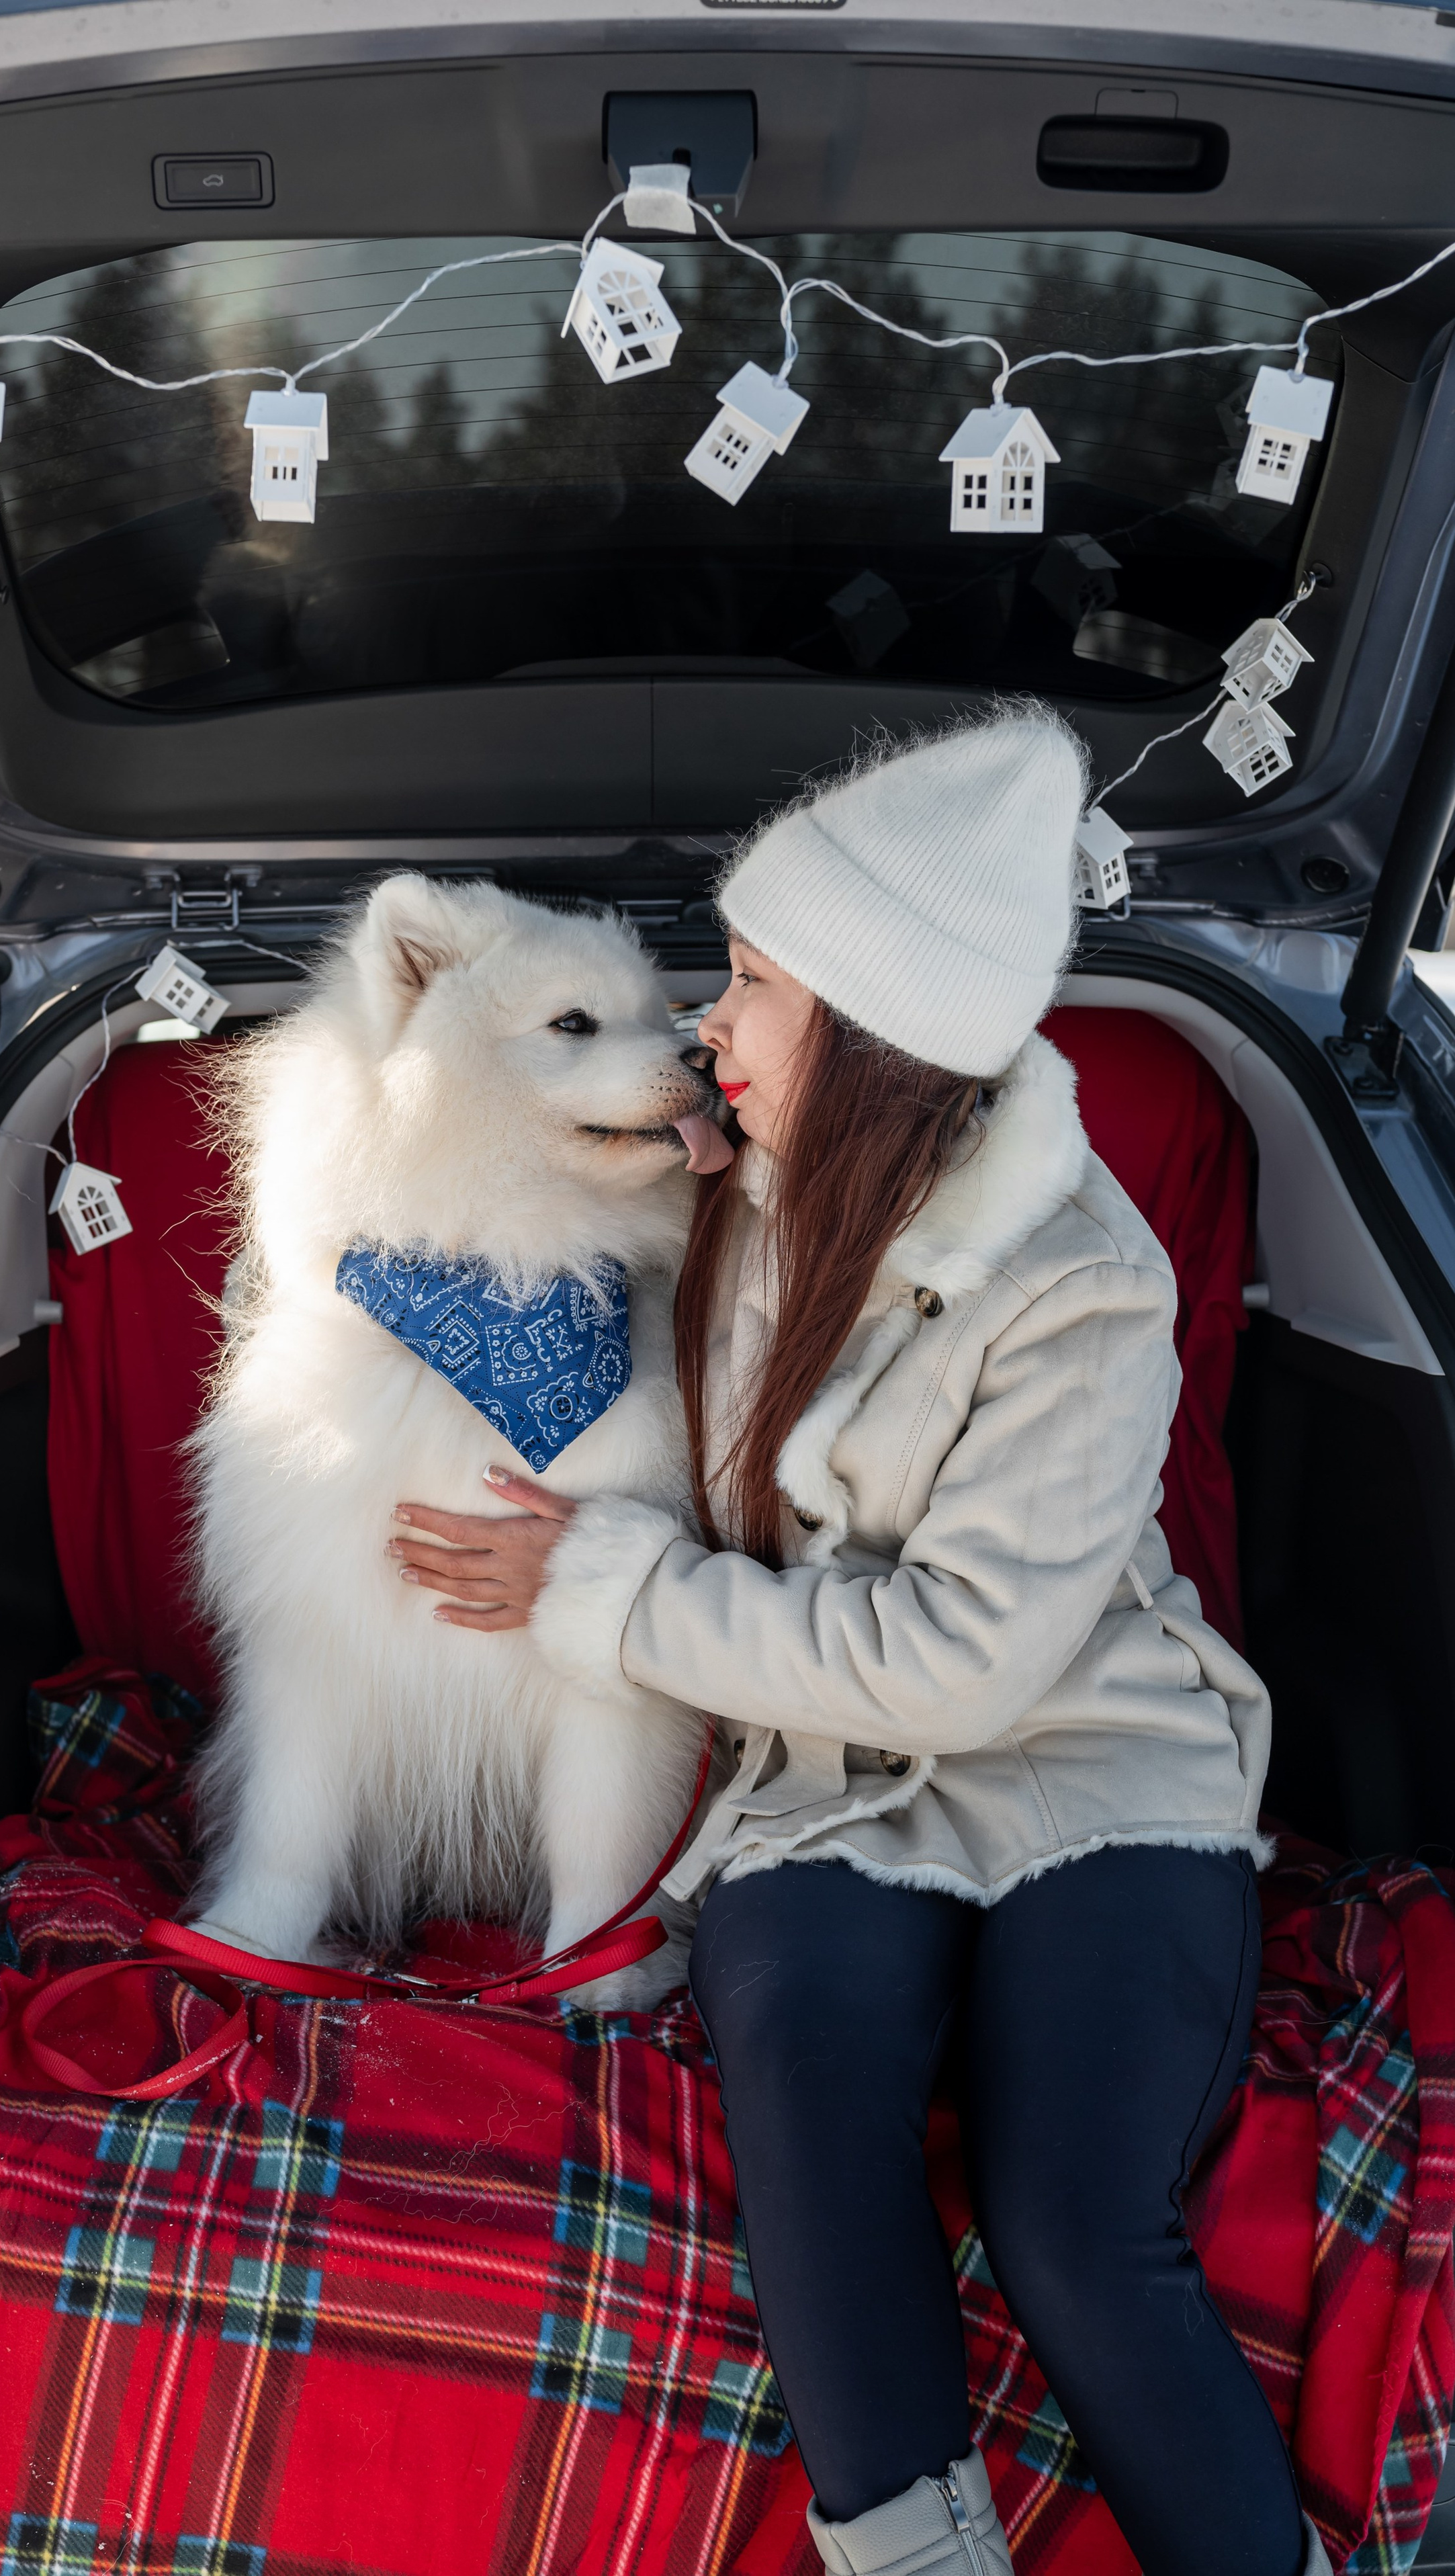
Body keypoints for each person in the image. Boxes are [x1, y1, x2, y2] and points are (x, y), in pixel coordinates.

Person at [386, 711, 1322, 2576]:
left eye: (751, 981)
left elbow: (961, 1662)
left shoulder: (1085, 1285)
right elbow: (458, 1184)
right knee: (808, 2090)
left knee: (1072, 2222)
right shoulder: (736, 1182)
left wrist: (606, 1592)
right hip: (822, 1790)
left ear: (881, 1032)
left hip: (1091, 1767)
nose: (707, 1019)